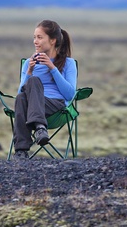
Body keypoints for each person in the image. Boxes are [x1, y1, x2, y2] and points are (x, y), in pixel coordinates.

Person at [13, 20, 77, 159]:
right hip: (32, 107)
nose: (35, 41)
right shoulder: (29, 64)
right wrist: (29, 71)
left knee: (33, 83)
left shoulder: (68, 63)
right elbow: (20, 95)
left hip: (56, 105)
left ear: (53, 40)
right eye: (34, 37)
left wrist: (52, 68)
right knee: (25, 92)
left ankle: (27, 142)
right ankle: (32, 137)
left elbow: (70, 95)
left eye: (40, 37)